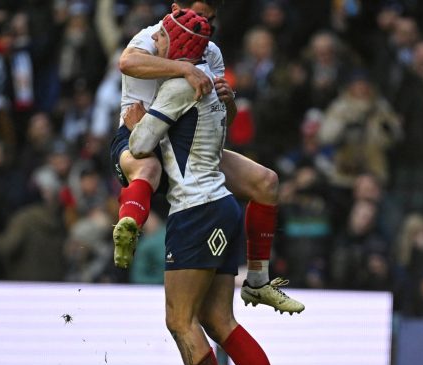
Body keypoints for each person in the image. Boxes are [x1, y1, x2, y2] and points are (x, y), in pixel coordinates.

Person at [126, 10, 311, 365]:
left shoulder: (175, 87)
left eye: (166, 39)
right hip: (224, 204)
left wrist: (137, 123)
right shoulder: (212, 85)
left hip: (196, 210)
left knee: (180, 320)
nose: (160, 43)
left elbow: (140, 147)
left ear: (179, 47)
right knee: (219, 321)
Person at [110, 0, 304, 314]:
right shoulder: (150, 36)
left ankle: (257, 280)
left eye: (211, 19)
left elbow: (220, 123)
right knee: (146, 166)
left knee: (266, 181)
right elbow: (127, 63)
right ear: (175, 9)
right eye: (201, 15)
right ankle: (129, 225)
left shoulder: (211, 52)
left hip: (189, 146)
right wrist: (184, 68)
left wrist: (229, 103)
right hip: (140, 132)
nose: (206, 24)